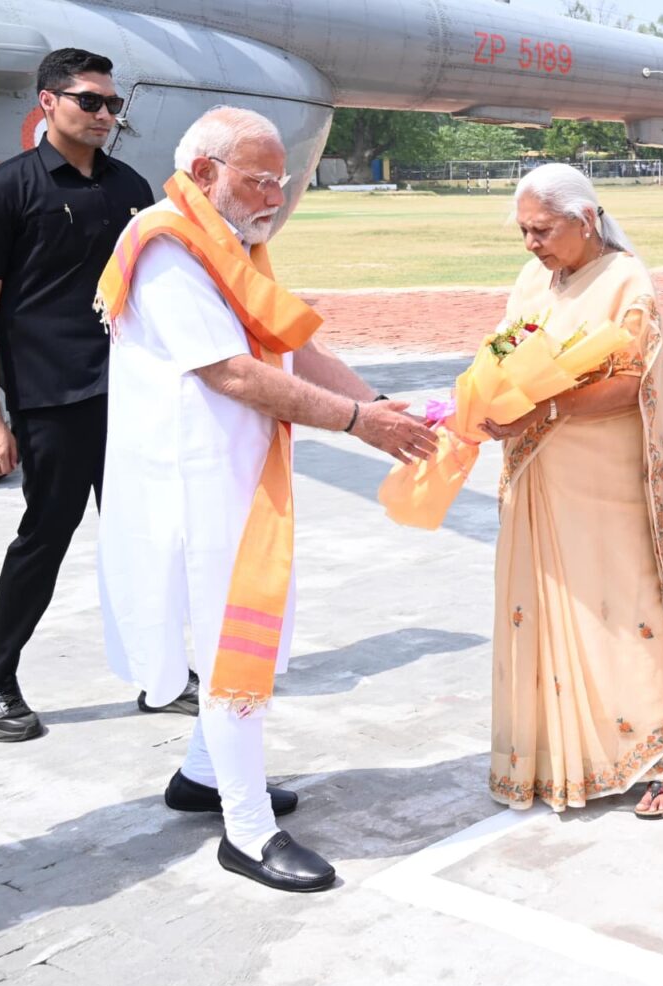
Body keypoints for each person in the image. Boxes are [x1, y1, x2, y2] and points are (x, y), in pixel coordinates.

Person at [96, 106, 437, 891]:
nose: (275, 197)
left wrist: (377, 403)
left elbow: (290, 345)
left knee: (246, 634)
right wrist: (357, 422)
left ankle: (201, 776)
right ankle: (246, 831)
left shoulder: (229, 240)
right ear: (205, 171)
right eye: (259, 180)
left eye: (280, 181)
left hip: (240, 475)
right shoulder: (167, 245)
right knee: (235, 649)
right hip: (194, 483)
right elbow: (232, 373)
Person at [0, 49, 199, 745]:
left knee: (147, 537)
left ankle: (160, 676)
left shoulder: (129, 186)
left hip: (130, 393)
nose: (105, 114)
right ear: (48, 102)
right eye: (89, 101)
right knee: (46, 536)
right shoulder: (4, 191)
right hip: (50, 399)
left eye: (113, 104)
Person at [480, 164, 663, 820]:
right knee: (549, 608)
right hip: (540, 474)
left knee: (624, 608)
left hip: (608, 478)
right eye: (524, 231)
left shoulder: (624, 281)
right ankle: (564, 760)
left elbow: (630, 383)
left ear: (584, 219)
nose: (531, 243)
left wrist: (544, 409)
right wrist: (484, 397)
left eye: (542, 230)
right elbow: (503, 353)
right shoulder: (533, 278)